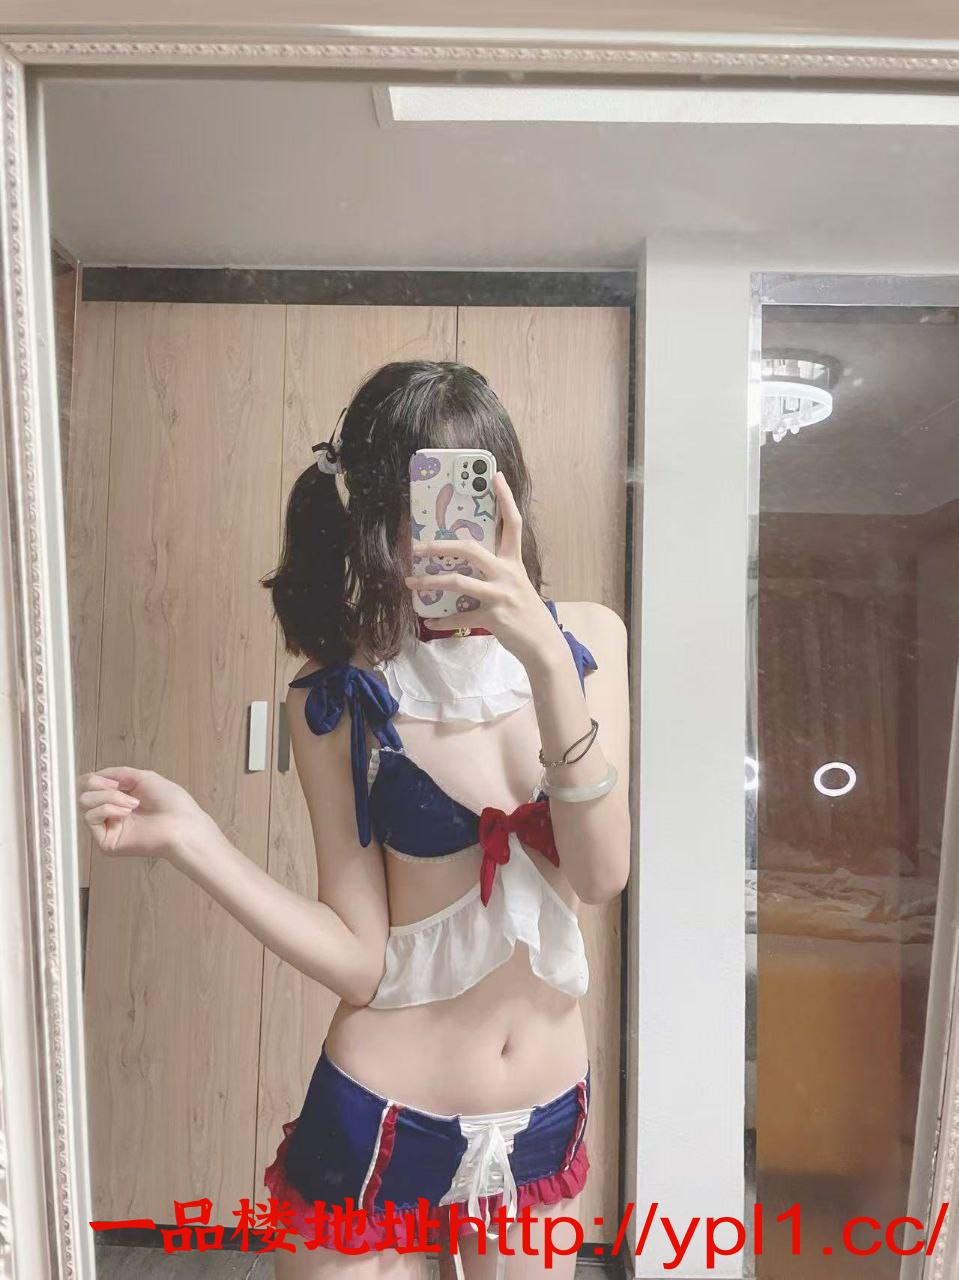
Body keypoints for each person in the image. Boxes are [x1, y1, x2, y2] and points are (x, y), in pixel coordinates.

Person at [77, 360, 631, 1280]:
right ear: (376, 518)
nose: (447, 535)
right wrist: (194, 842)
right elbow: (361, 959)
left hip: (541, 1121)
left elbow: (600, 875)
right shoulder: (339, 696)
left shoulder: (588, 643)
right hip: (383, 1120)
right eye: (422, 506)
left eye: (470, 494)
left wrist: (543, 659)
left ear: (507, 496)